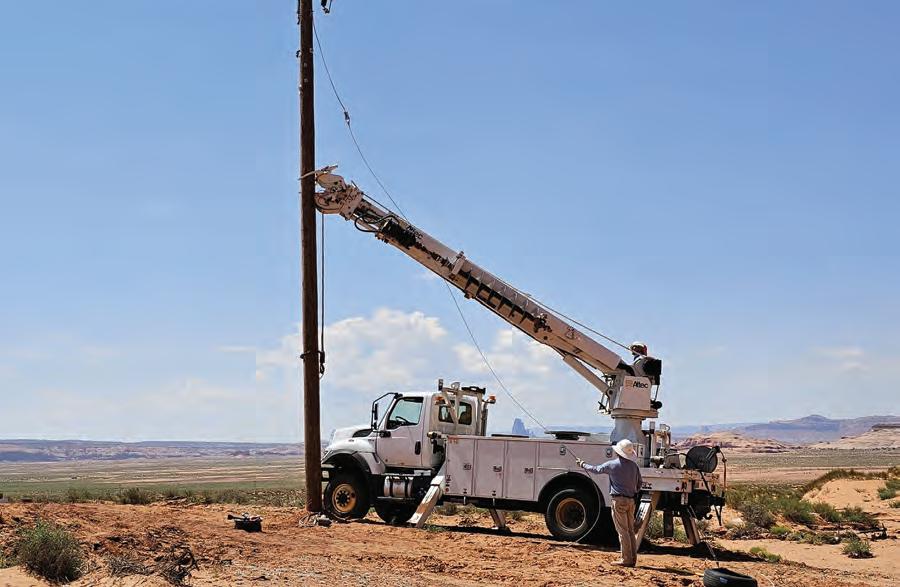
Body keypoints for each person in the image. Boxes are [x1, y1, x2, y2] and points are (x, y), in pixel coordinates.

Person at [575, 439, 643, 567]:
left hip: (619, 500)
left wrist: (582, 464)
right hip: (631, 501)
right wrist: (633, 491)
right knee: (629, 530)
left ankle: (626, 559)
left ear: (618, 452)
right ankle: (632, 558)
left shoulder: (612, 465)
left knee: (623, 531)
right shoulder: (634, 466)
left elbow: (596, 469)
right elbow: (639, 483)